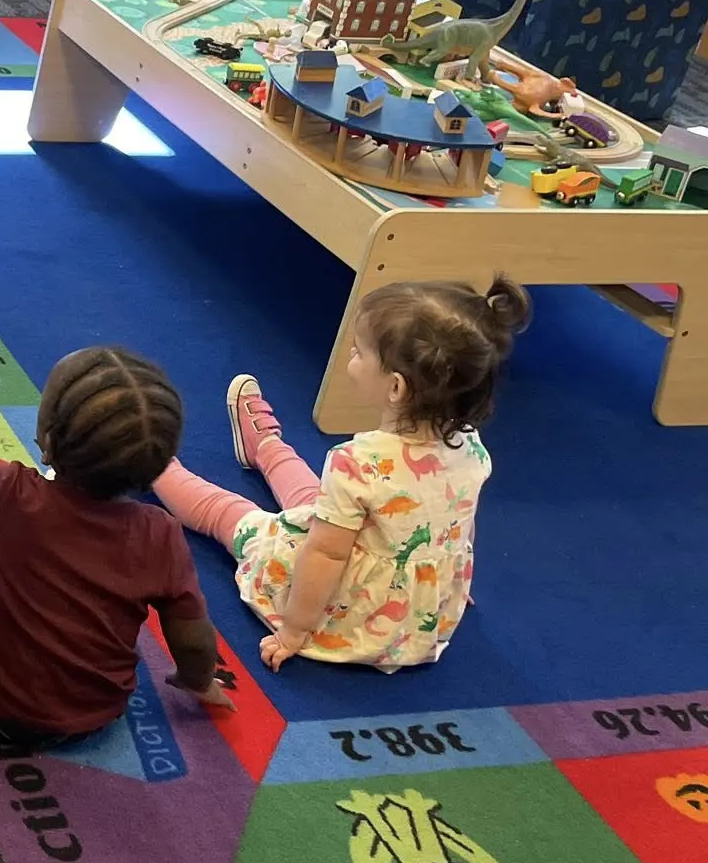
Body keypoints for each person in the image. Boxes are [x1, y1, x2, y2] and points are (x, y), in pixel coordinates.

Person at [153, 277, 530, 673]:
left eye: (359, 352)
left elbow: (326, 554)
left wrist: (294, 631)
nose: (352, 354)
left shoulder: (356, 462)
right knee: (322, 504)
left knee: (230, 515)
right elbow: (460, 522)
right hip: (417, 621)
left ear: (396, 387)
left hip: (352, 614)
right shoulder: (469, 445)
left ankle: (152, 461)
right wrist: (448, 575)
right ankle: (265, 448)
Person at [0, 347, 229, 753]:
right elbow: (192, 639)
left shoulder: (11, 495)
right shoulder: (161, 534)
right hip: (98, 713)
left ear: (46, 444)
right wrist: (199, 680)